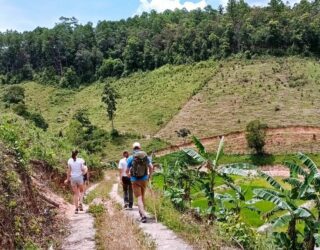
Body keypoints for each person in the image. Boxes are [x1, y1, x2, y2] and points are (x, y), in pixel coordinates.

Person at [126, 142, 153, 223]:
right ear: (140, 148)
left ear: (133, 148)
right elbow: (151, 167)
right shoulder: (145, 156)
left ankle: (143, 215)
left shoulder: (131, 158)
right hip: (144, 179)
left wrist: (130, 177)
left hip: (135, 180)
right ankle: (142, 213)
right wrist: (149, 176)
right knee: (142, 197)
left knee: (139, 198)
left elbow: (127, 171)